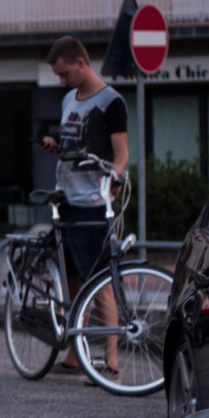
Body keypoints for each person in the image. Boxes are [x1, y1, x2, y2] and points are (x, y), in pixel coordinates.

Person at [38, 35, 129, 377]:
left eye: (64, 74)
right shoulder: (68, 100)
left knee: (100, 281)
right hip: (67, 200)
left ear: (80, 62)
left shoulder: (111, 101)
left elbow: (121, 155)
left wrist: (113, 179)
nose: (62, 81)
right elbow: (73, 145)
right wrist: (56, 146)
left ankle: (111, 359)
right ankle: (76, 357)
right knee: (74, 281)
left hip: (93, 203)